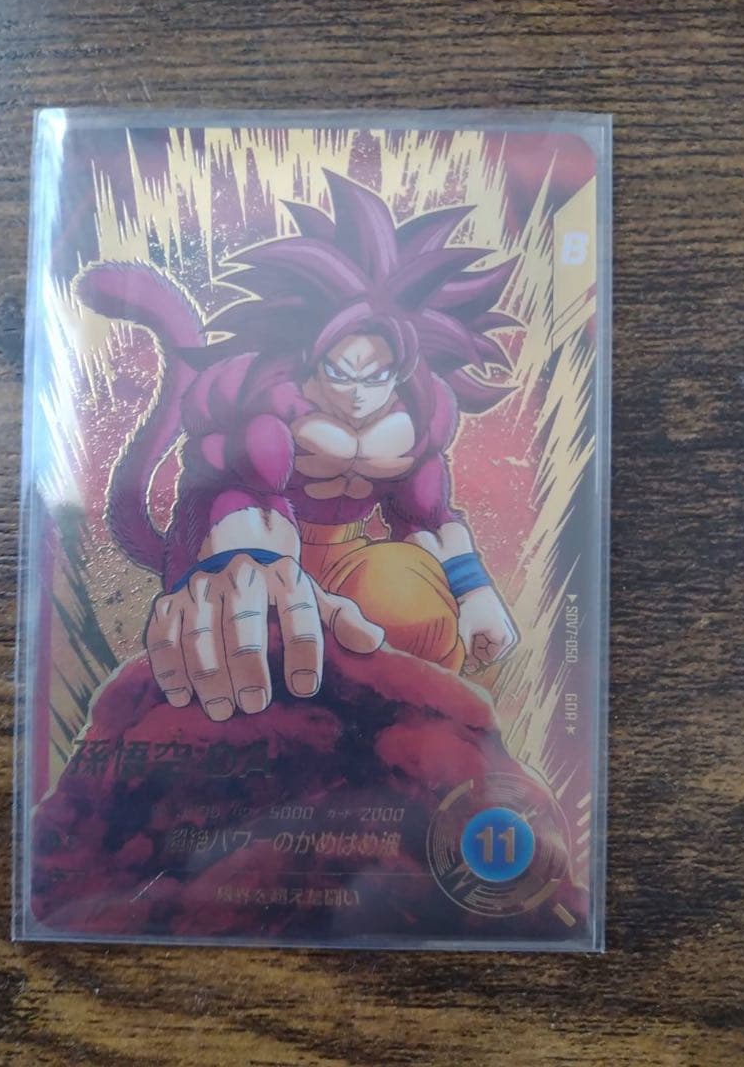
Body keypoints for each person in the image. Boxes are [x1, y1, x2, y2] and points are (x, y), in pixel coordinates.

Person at [77, 171, 520, 721]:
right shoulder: (269, 405)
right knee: (269, 637)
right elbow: (233, 493)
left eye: (377, 376)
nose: (357, 393)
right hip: (244, 551)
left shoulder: (417, 422)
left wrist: (473, 592)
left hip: (347, 560)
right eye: (341, 372)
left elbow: (427, 516)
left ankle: (398, 723)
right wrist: (249, 563)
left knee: (407, 608)